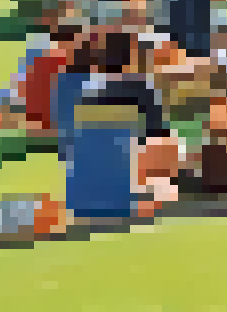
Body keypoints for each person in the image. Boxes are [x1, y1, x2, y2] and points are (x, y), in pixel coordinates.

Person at [52, 30, 184, 222]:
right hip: (123, 196)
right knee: (168, 147)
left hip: (80, 199)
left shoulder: (86, 92)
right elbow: (158, 140)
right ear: (131, 57)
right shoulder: (141, 89)